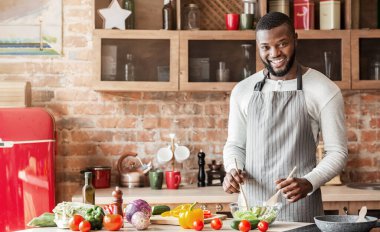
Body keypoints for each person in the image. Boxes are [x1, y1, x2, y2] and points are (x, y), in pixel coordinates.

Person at [222, 12, 348, 222]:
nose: (275, 53)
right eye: (266, 47)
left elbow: (337, 152)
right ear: (258, 47)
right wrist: (233, 169)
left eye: (282, 44)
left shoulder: (324, 89)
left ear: (295, 40)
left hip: (300, 212)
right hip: (251, 214)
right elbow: (235, 144)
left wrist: (309, 182)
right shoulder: (242, 90)